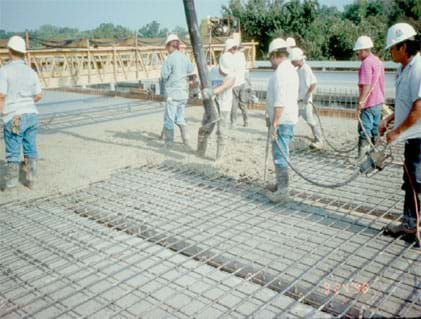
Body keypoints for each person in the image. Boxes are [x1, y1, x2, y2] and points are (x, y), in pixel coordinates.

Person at [380, 23, 421, 238]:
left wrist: (397, 132)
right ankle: (409, 224)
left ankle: (415, 226)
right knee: (411, 181)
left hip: (419, 137)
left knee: (418, 182)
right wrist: (390, 118)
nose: (391, 52)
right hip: (411, 136)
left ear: (404, 47)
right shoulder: (402, 69)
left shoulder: (418, 68)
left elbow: (419, 108)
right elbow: (406, 103)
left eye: (393, 48)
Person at [0, 35, 42, 190]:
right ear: (23, 53)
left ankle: (11, 185)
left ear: (10, 51)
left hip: (16, 117)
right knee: (30, 147)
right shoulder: (31, 72)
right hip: (31, 115)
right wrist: (26, 103)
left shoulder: (4, 71)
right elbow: (38, 95)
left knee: (13, 149)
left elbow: (1, 96)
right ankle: (31, 180)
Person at [265, 38, 299, 203]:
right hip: (288, 118)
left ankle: (283, 191)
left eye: (271, 57)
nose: (270, 60)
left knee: (280, 154)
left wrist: (274, 123)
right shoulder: (290, 70)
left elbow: (280, 101)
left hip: (283, 120)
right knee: (281, 152)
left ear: (276, 54)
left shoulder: (281, 73)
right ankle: (280, 184)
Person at [353, 35, 385, 157]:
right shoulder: (378, 61)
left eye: (358, 53)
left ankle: (362, 159)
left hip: (369, 102)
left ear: (363, 50)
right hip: (378, 102)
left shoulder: (366, 63)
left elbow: (366, 85)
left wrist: (361, 103)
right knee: (375, 130)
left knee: (364, 131)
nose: (358, 55)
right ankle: (377, 155)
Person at [160, 34, 193, 147]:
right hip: (184, 93)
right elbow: (191, 69)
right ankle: (186, 140)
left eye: (166, 47)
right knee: (180, 119)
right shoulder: (184, 57)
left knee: (169, 119)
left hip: (173, 94)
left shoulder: (169, 58)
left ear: (170, 46)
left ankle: (169, 143)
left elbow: (164, 75)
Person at [203, 52, 236, 160]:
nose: (224, 72)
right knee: (205, 128)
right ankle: (200, 152)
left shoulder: (232, 75)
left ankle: (219, 158)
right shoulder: (213, 71)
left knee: (222, 132)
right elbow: (206, 84)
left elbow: (223, 87)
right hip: (212, 105)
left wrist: (211, 92)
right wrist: (204, 90)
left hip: (225, 106)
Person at [289, 47, 323, 149]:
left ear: (299, 59)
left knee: (311, 121)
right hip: (298, 101)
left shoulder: (306, 69)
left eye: (294, 61)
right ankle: (288, 137)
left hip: (305, 102)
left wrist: (307, 95)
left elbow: (313, 83)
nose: (293, 63)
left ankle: (319, 140)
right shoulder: (298, 69)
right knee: (292, 119)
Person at [228, 39, 249, 128]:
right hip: (242, 82)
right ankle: (246, 120)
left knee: (234, 104)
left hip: (234, 84)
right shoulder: (242, 55)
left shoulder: (231, 57)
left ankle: (233, 122)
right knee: (243, 103)